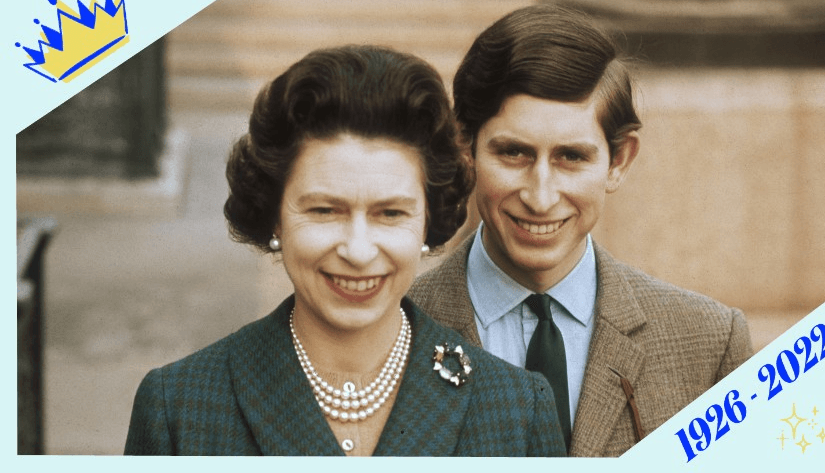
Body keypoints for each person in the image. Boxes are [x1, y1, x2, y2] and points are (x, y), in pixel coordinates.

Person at [124, 45, 567, 456]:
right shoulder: (179, 407)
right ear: (275, 217)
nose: (358, 251)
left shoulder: (517, 411)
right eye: (324, 211)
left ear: (428, 222)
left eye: (390, 213)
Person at [407, 4, 754, 457]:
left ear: (619, 161)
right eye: (513, 153)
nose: (540, 197)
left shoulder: (709, 343)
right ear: (466, 150)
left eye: (571, 157)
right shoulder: (391, 330)